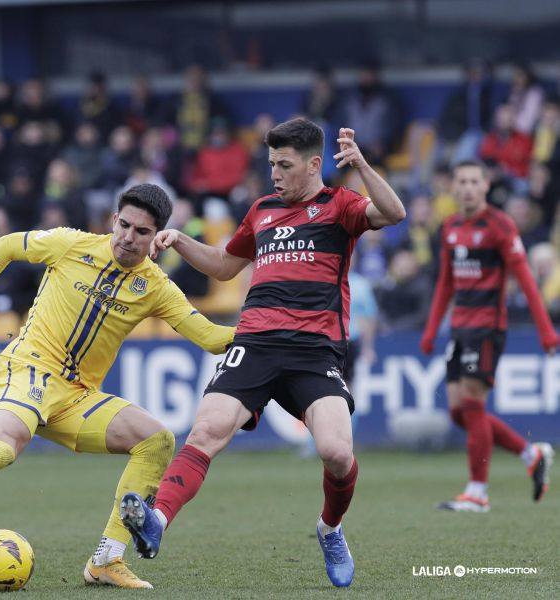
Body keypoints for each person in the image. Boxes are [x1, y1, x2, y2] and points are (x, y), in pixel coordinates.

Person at [120, 118, 406, 588]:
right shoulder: (262, 210)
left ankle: (330, 528)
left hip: (315, 350)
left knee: (336, 452)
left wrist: (362, 165)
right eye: (271, 163)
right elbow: (226, 266)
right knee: (207, 430)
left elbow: (394, 213)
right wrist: (181, 241)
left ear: (315, 165)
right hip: (254, 342)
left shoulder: (341, 205)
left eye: (285, 165)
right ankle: (156, 521)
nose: (274, 172)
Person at [0, 184, 234, 589]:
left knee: (156, 440)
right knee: (6, 442)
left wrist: (270, 331)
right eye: (124, 225)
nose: (128, 237)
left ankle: (107, 560)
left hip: (77, 397)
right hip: (30, 366)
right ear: (112, 220)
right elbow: (6, 246)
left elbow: (209, 337)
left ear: (157, 237)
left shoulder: (154, 285)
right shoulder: (71, 244)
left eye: (141, 232)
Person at [420, 160, 557, 513]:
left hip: (487, 327)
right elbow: (446, 284)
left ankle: (477, 493)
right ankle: (531, 453)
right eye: (461, 181)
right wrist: (432, 330)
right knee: (457, 412)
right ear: (453, 187)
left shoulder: (499, 225)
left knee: (473, 405)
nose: (466, 187)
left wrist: (545, 331)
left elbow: (525, 278)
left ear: (485, 186)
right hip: (459, 327)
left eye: (473, 181)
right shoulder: (449, 227)